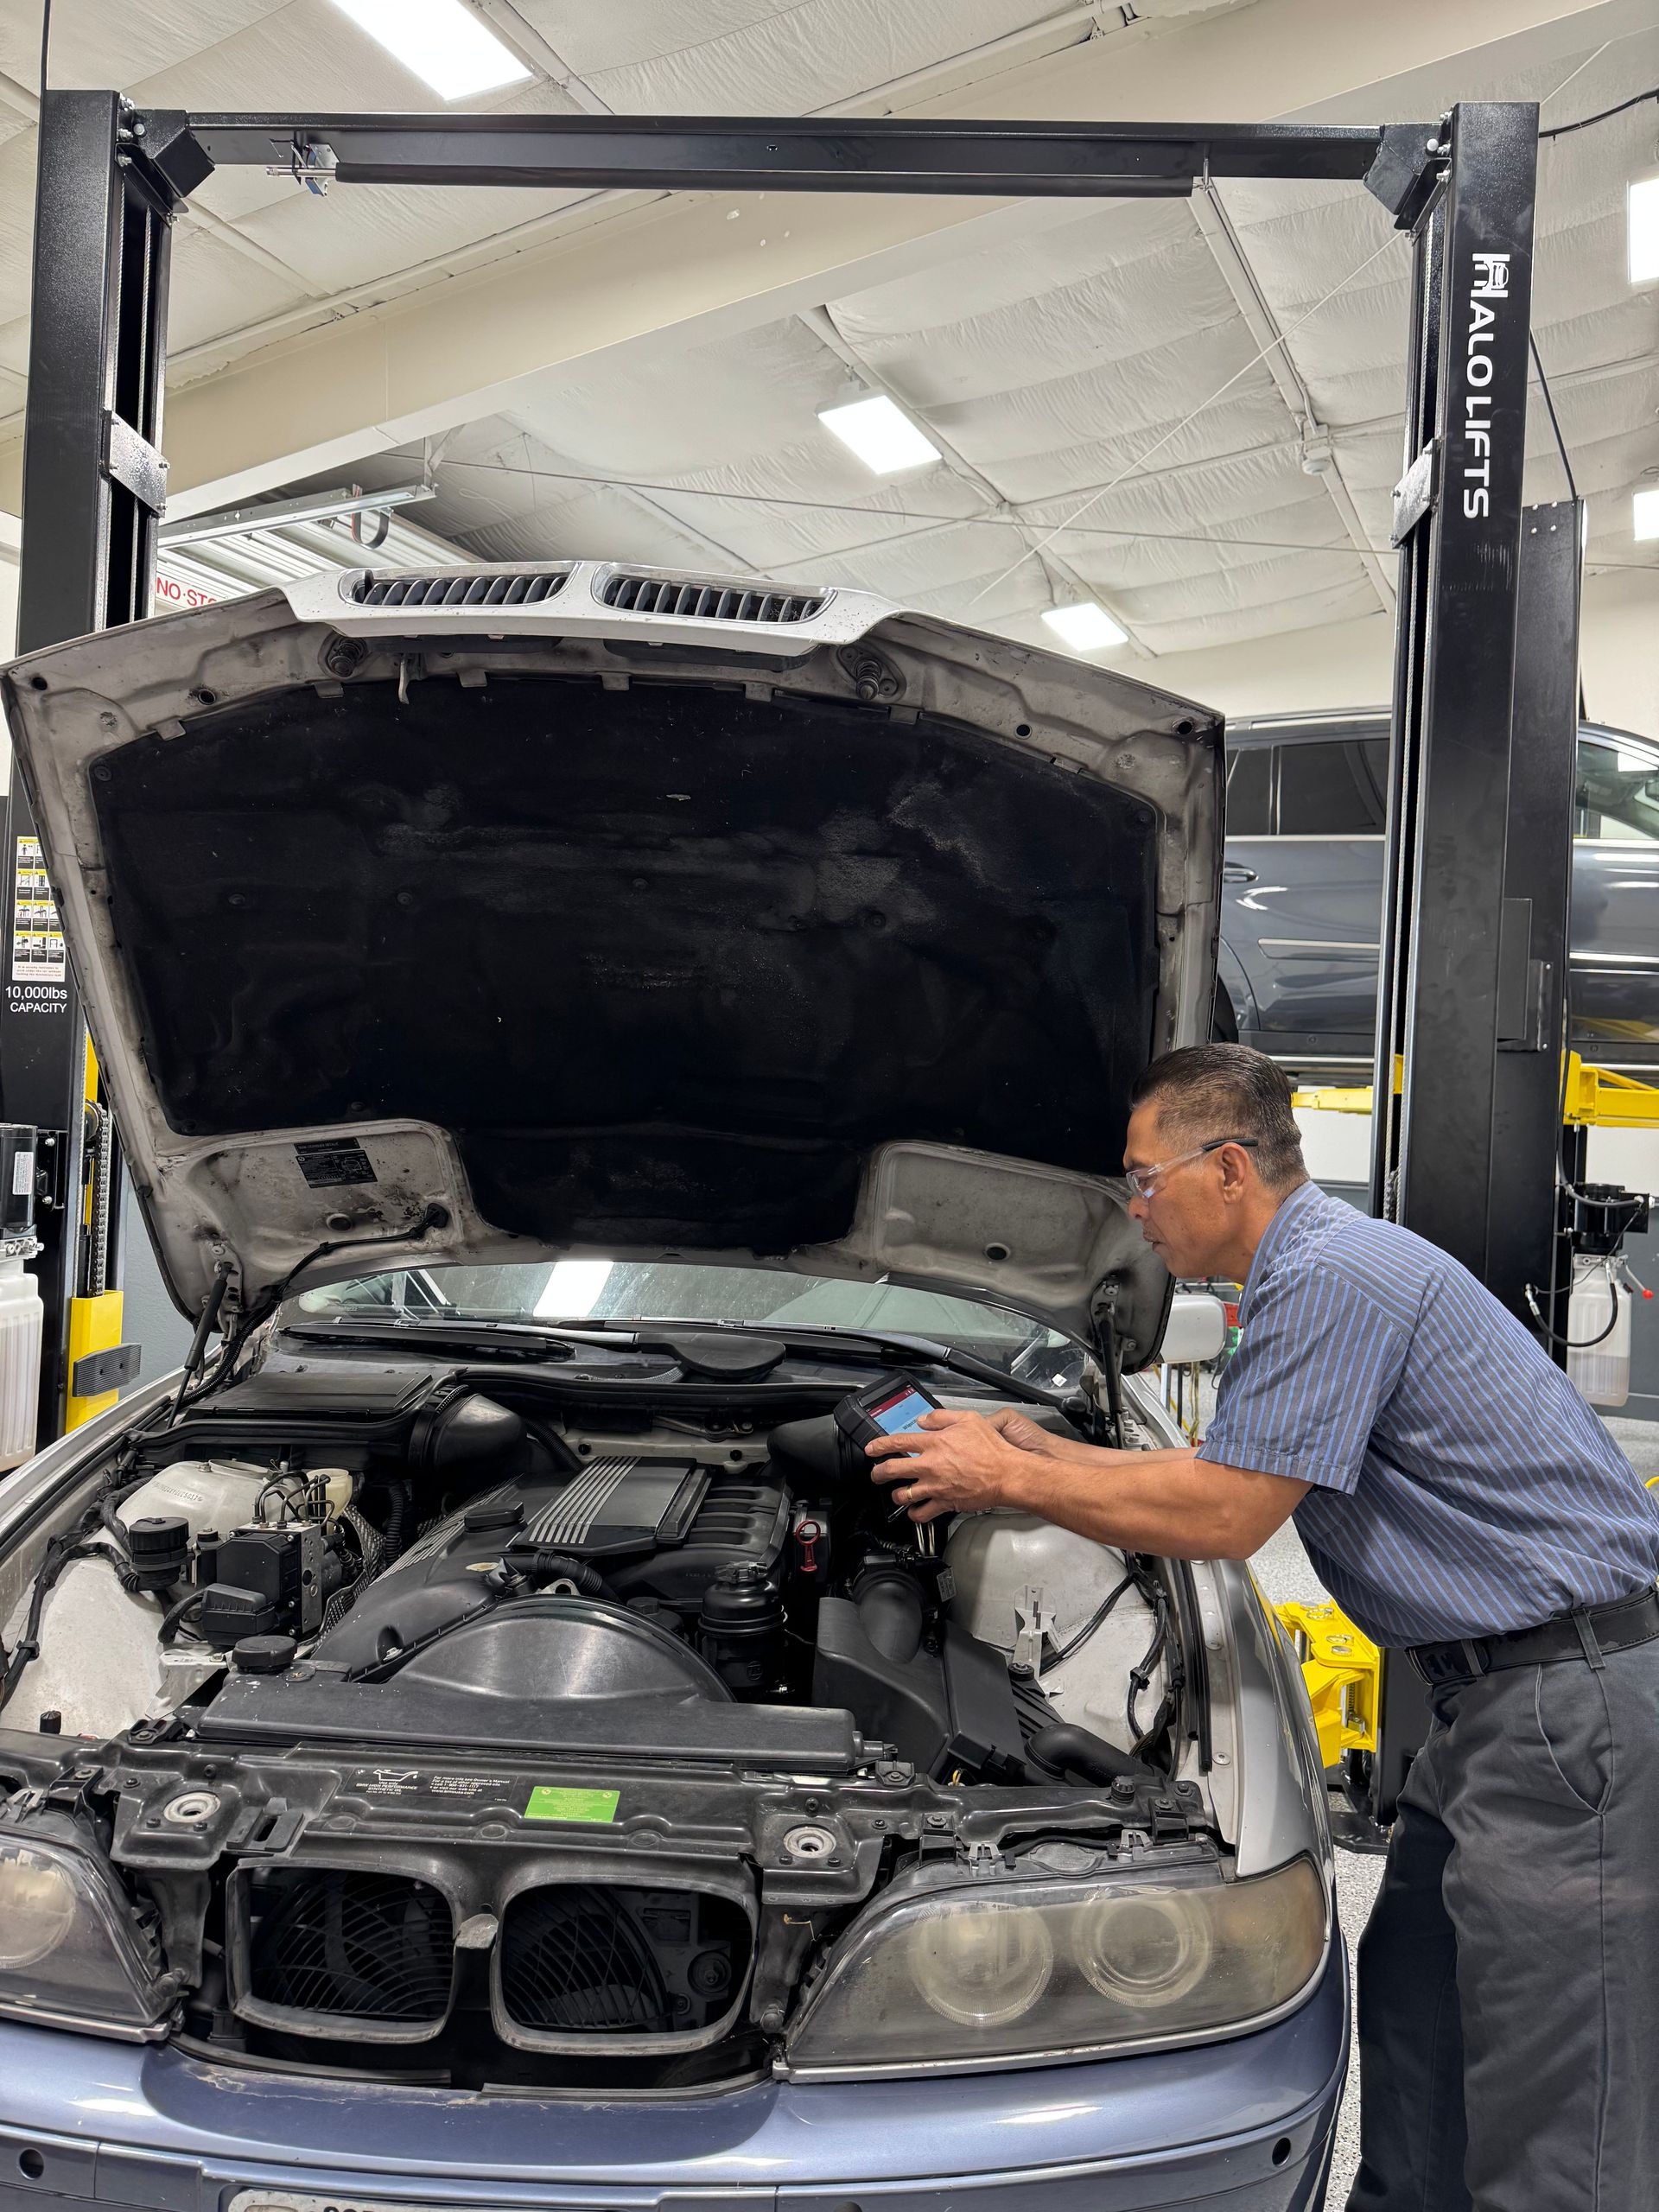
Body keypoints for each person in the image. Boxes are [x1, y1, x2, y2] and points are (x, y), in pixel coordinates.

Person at [865, 1042, 1659, 2212]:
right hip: (1492, 1703)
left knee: (1560, 2106)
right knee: (1418, 2020)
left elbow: (1232, 1512)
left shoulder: (1333, 1278)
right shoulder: (1310, 1274)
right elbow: (1232, 1460)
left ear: (1227, 1169)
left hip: (1561, 1710)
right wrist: (1041, 1448)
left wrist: (1010, 1483)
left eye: (1144, 1181)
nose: (1136, 1211)